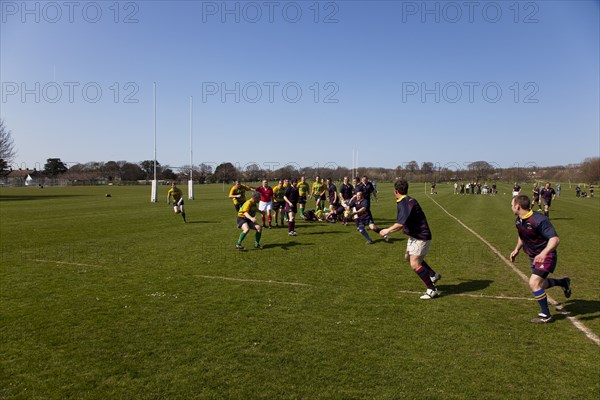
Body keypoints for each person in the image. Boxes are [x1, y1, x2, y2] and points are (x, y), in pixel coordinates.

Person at [509, 194, 571, 323]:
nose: (511, 207)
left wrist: (543, 253)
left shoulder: (539, 220)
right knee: (541, 284)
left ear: (518, 206)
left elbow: (555, 239)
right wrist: (516, 250)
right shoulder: (519, 220)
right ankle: (563, 282)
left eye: (512, 205)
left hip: (547, 256)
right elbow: (522, 236)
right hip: (533, 256)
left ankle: (546, 315)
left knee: (534, 283)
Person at [379, 180, 442, 299]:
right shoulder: (408, 200)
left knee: (414, 263)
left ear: (395, 191)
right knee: (408, 257)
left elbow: (400, 224)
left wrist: (386, 230)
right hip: (415, 236)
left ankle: (431, 289)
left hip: (421, 236)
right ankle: (433, 275)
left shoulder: (404, 203)